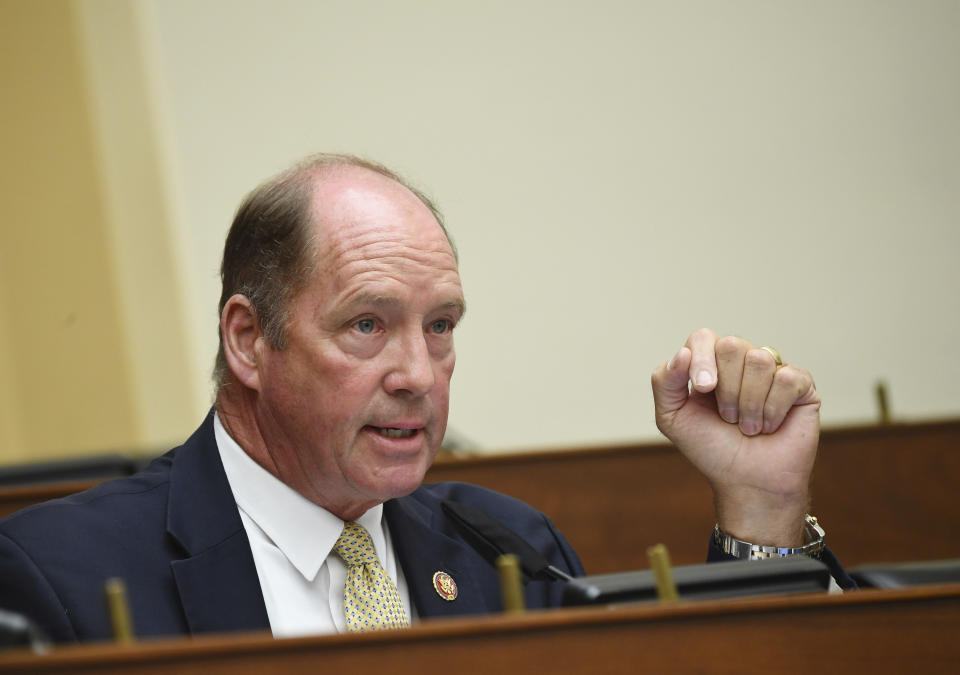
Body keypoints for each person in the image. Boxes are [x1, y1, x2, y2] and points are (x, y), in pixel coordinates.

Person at [0, 154, 851, 643]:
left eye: (440, 325)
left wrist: (760, 502)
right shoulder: (59, 576)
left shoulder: (509, 551)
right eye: (368, 325)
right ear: (249, 340)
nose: (418, 371)